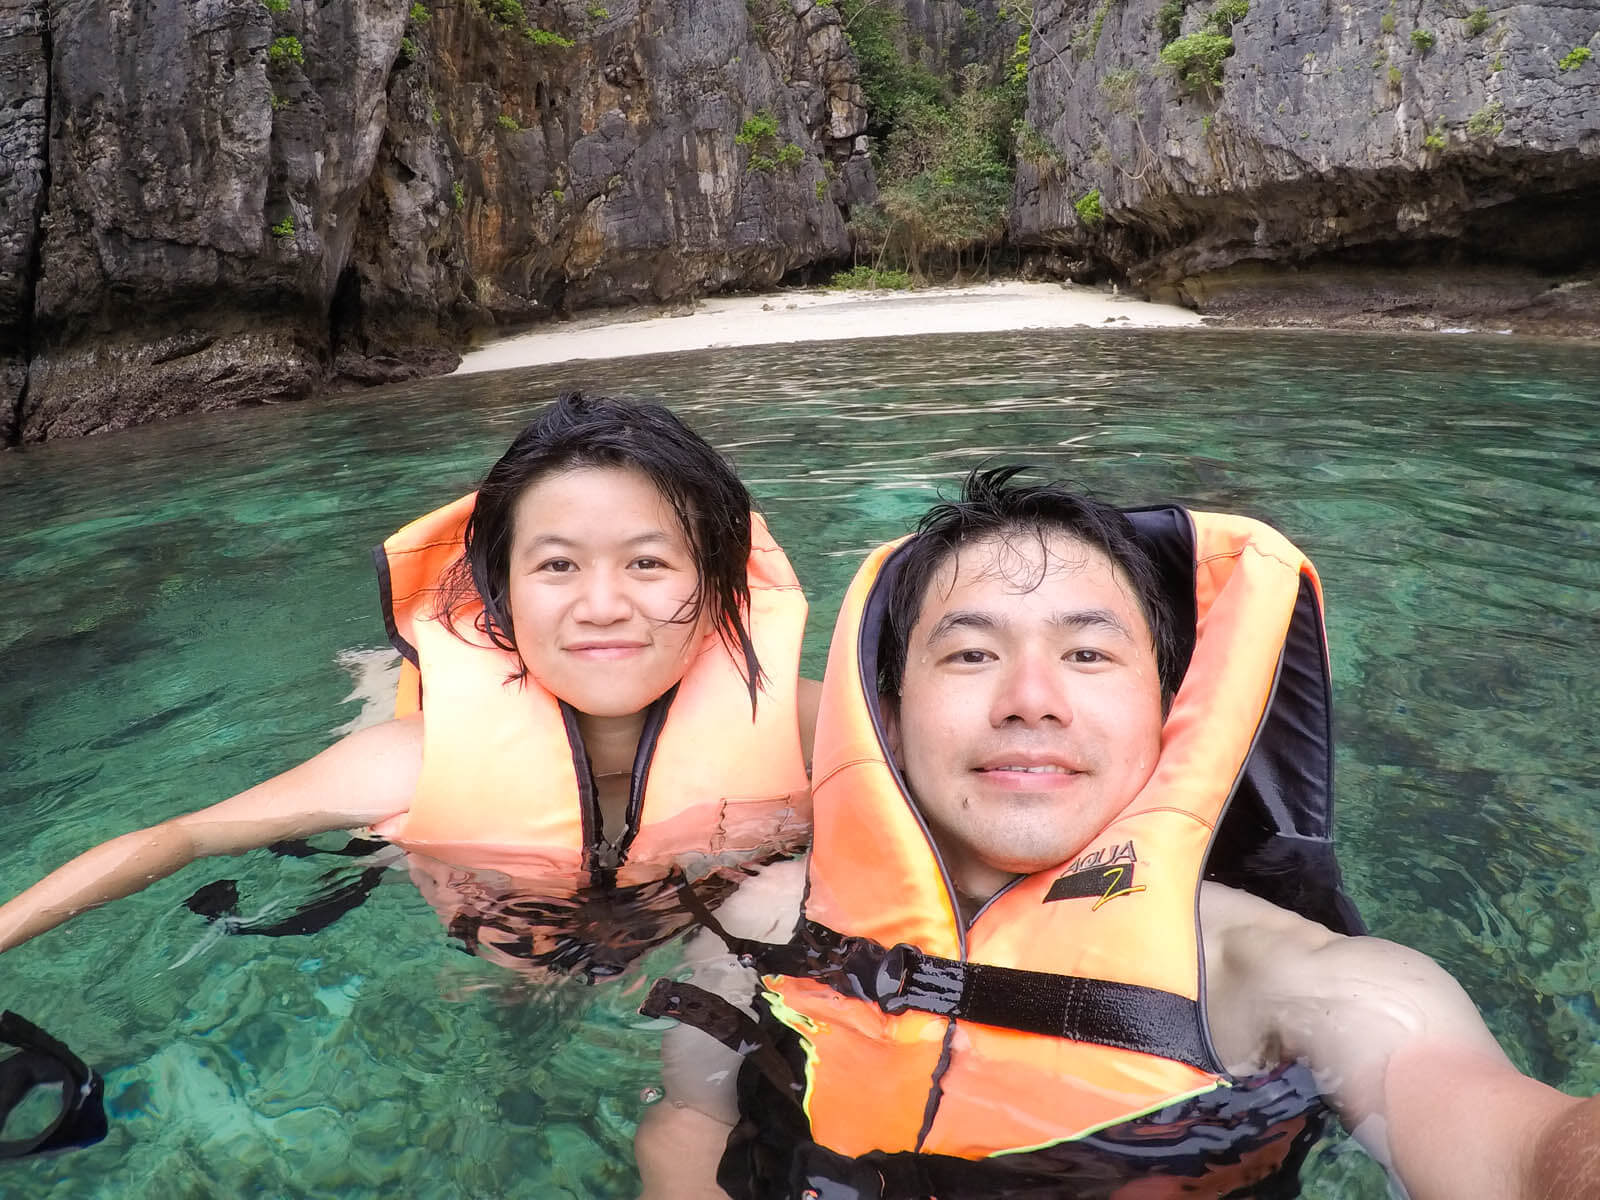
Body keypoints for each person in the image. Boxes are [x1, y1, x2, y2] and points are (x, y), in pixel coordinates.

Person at [636, 467, 1599, 1200]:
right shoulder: (759, 921)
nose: (1031, 701)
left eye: (1088, 653)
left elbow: (1521, 1151)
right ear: (887, 710)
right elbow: (689, 1124)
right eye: (971, 652)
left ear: (1168, 712)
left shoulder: (1279, 985)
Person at [0, 392, 821, 964]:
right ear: (500, 599)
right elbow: (184, 837)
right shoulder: (410, 761)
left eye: (647, 562)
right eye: (557, 565)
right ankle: (385, 674)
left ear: (717, 588)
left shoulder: (816, 731)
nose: (600, 605)